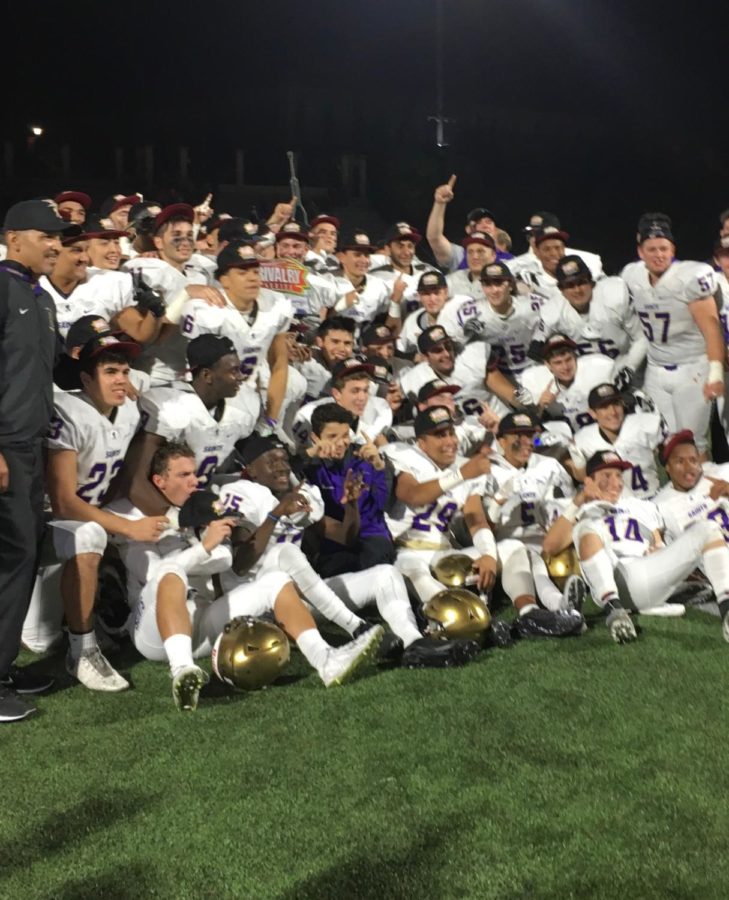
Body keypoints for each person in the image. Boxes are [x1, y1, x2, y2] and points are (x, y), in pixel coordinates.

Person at [115, 441, 384, 710]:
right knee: (170, 572)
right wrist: (205, 547)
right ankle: (182, 671)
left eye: (194, 473)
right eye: (183, 475)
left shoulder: (203, 505)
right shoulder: (137, 518)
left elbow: (229, 560)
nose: (193, 481)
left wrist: (215, 543)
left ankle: (326, 659)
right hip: (153, 633)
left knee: (276, 580)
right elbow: (155, 574)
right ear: (159, 480)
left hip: (200, 623)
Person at [45, 332, 165, 691]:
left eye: (125, 372)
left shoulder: (129, 406)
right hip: (46, 525)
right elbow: (64, 502)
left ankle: (126, 616)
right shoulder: (67, 412)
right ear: (85, 378)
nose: (121, 380)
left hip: (89, 515)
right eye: (110, 371)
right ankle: (81, 649)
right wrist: (126, 529)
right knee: (40, 640)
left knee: (162, 531)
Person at [0, 199, 69, 722]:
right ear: (13, 237)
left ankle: (4, 668)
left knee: (20, 557)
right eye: (45, 235)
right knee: (12, 557)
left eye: (59, 238)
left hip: (28, 446)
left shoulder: (39, 297)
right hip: (6, 447)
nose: (55, 245)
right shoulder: (4, 288)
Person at [543, 450, 729, 643]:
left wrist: (659, 546)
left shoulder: (640, 505)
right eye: (606, 476)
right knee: (586, 527)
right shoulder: (578, 509)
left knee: (709, 528)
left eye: (617, 475)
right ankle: (615, 612)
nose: (615, 482)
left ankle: (726, 608)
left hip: (650, 572)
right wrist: (580, 500)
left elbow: (659, 540)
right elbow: (550, 546)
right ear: (589, 481)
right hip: (615, 578)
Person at [621, 215, 724, 455]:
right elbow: (646, 331)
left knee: (693, 442)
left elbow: (711, 327)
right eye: (652, 249)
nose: (659, 254)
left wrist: (716, 372)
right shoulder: (631, 276)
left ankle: (703, 492)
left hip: (692, 368)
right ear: (640, 252)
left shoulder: (690, 277)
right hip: (656, 370)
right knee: (667, 442)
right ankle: (675, 492)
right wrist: (630, 365)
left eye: (664, 248)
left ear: (673, 249)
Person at [122, 335, 258, 515]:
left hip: (196, 502)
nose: (241, 377)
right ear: (207, 375)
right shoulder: (170, 405)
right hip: (149, 509)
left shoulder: (239, 406)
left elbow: (261, 455)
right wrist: (176, 520)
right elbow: (135, 482)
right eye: (233, 371)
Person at [531, 255, 646, 375]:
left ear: (591, 282)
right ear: (561, 289)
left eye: (581, 282)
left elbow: (641, 338)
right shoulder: (553, 311)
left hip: (628, 368)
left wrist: (629, 369)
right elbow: (536, 347)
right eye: (570, 285)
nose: (577, 290)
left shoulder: (614, 297)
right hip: (586, 379)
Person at [438, 260, 539, 376]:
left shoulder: (533, 305)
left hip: (533, 370)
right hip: (493, 377)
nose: (494, 290)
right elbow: (452, 351)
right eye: (488, 284)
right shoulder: (469, 312)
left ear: (510, 285)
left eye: (498, 283)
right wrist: (465, 336)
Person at [571, 383, 666, 498]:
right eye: (604, 407)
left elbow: (670, 455)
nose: (613, 412)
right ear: (592, 413)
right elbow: (581, 477)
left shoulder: (644, 423)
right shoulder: (584, 439)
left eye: (616, 404)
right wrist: (578, 463)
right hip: (614, 507)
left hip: (653, 497)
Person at [518, 333, 616, 433]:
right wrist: (539, 407)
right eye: (558, 362)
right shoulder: (535, 380)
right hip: (562, 442)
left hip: (602, 435)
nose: (565, 367)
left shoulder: (598, 368)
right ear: (548, 365)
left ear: (575, 356)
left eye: (568, 359)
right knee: (538, 441)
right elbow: (526, 426)